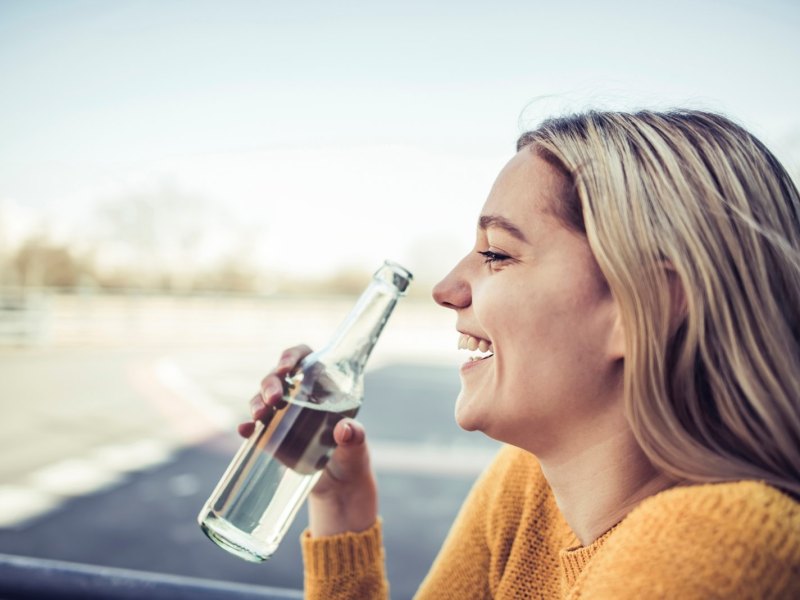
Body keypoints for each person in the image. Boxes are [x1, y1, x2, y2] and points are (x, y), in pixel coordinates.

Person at [241, 109, 800, 598]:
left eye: (497, 253)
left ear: (644, 308)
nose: (446, 289)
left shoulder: (718, 541)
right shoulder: (529, 486)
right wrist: (340, 507)